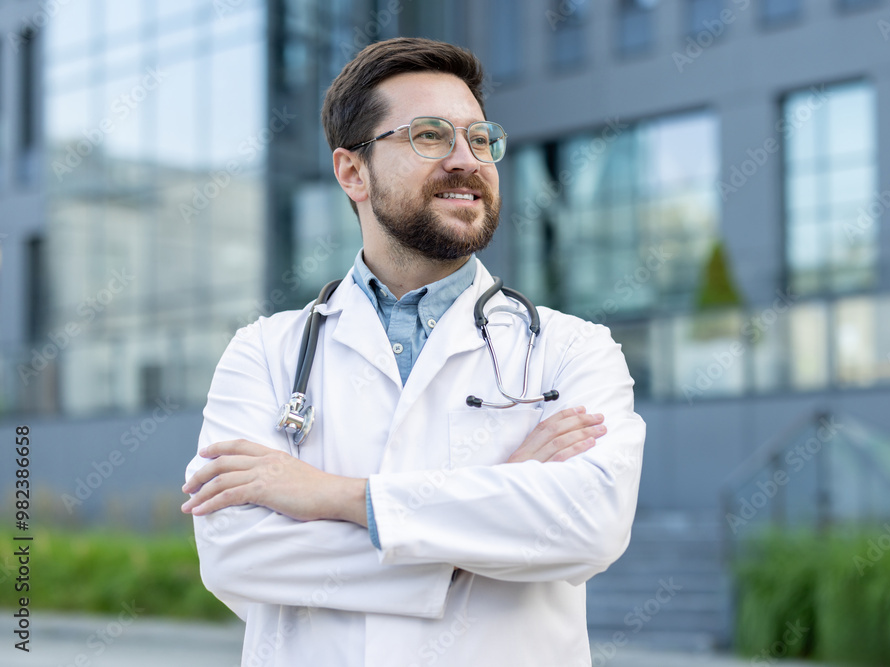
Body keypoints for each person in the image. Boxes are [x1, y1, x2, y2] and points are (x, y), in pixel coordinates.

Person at [182, 37, 645, 667]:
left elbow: (589, 523)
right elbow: (235, 551)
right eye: (430, 136)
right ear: (353, 172)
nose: (466, 159)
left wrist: (338, 496)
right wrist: (485, 525)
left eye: (480, 140)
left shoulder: (571, 350)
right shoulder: (264, 352)